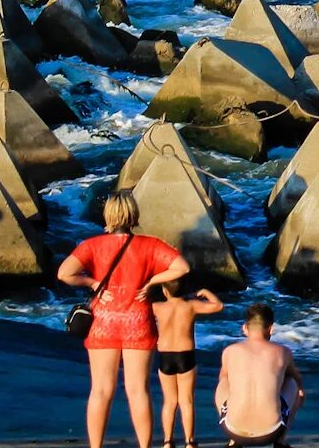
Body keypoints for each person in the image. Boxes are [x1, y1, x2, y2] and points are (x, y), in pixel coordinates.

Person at [57, 192, 190, 448]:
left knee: (101, 390)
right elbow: (182, 267)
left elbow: (64, 273)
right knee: (137, 390)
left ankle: (96, 446)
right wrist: (152, 281)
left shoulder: (93, 245)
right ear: (134, 215)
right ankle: (144, 445)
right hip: (137, 320)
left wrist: (93, 283)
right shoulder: (150, 245)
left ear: (108, 215)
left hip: (103, 321)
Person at [215, 304, 304, 448]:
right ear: (271, 329)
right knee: (292, 382)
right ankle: (280, 441)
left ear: (244, 328)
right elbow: (296, 378)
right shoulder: (283, 352)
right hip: (272, 431)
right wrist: (300, 392)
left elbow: (224, 384)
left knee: (224, 381)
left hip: (233, 429)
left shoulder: (230, 351)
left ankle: (233, 442)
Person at [153, 281, 224, 448]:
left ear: (165, 291)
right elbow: (218, 305)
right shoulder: (191, 306)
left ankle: (167, 441)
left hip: (165, 355)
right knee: (187, 401)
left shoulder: (157, 307)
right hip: (185, 354)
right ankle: (189, 441)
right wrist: (205, 291)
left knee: (169, 401)